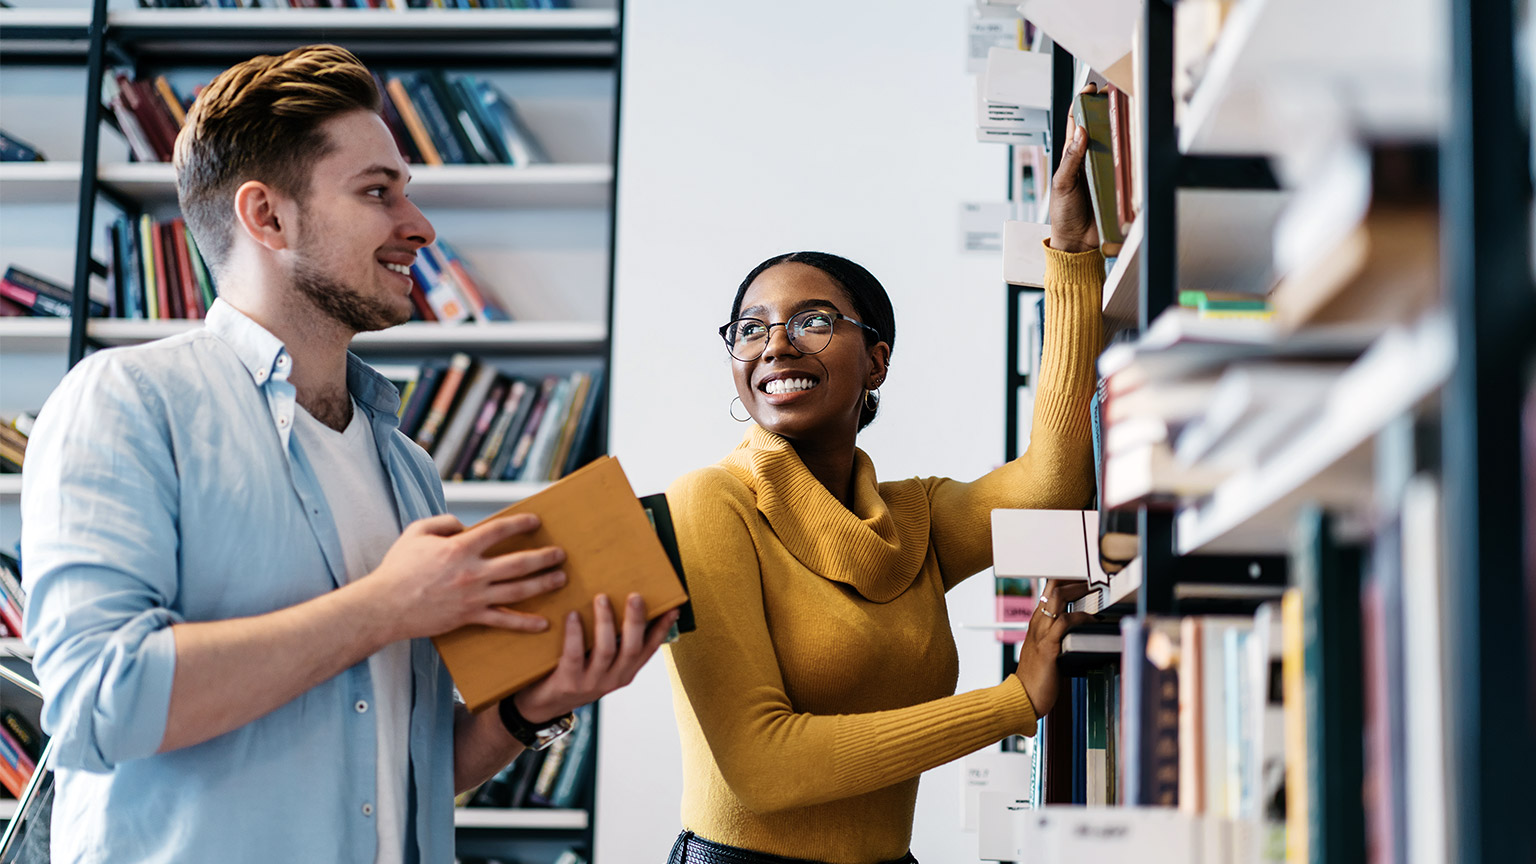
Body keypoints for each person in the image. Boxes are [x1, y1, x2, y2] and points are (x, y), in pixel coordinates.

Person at [21, 44, 676, 864]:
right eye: (378, 192)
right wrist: (383, 608)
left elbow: (406, 765)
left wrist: (531, 708)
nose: (421, 227)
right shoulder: (126, 401)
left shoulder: (405, 464)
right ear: (268, 217)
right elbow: (96, 704)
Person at [660, 109, 1108, 863]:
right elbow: (759, 766)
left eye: (813, 321)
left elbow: (1054, 486)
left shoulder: (915, 517)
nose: (775, 344)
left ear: (876, 361)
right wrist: (1011, 705)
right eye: (750, 327)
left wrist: (1070, 254)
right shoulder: (704, 503)